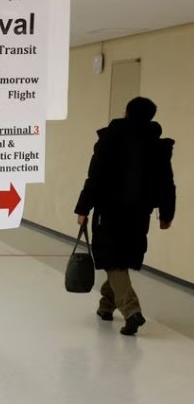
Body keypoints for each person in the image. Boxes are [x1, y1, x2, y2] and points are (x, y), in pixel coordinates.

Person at [74, 96, 175, 335]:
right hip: (140, 213)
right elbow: (166, 182)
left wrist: (83, 208)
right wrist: (166, 213)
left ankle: (132, 312)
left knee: (113, 260)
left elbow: (95, 176)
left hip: (109, 211)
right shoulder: (157, 145)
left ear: (126, 112)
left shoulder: (110, 139)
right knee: (121, 257)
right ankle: (105, 307)